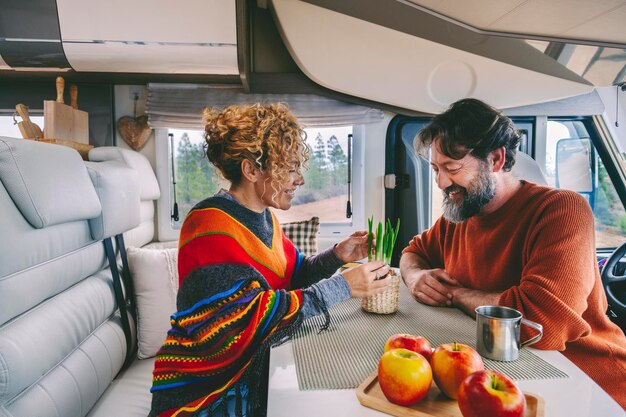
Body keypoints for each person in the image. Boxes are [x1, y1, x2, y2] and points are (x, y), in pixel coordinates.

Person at [149, 103, 390, 417]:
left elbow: (294, 274)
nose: (299, 179)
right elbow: (237, 326)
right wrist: (342, 287)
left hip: (253, 370)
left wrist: (338, 255)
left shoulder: (265, 219)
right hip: (205, 392)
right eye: (289, 168)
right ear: (251, 170)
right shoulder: (208, 225)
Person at [399, 98, 626, 408]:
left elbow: (541, 324)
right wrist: (416, 277)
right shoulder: (460, 213)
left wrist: (455, 295)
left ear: (495, 159)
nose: (440, 182)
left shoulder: (562, 210)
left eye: (451, 168)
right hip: (506, 372)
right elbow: (413, 252)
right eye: (436, 169)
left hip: (589, 381)